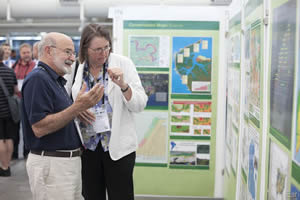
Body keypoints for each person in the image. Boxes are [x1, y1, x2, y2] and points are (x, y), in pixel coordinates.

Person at [65, 24, 148, 200]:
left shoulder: (123, 64)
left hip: (118, 148)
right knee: (91, 195)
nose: (103, 53)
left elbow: (140, 104)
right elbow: (65, 102)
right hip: (88, 148)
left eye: (106, 47)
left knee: (121, 195)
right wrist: (76, 109)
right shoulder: (75, 69)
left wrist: (124, 86)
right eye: (97, 49)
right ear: (85, 48)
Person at [22, 32, 104, 200]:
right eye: (67, 52)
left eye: (73, 53)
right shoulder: (38, 79)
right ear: (48, 51)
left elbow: (58, 116)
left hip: (66, 164)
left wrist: (77, 112)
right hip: (52, 166)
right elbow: (39, 128)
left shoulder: (56, 80)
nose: (72, 58)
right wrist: (76, 108)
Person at [12, 43, 36, 159]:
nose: (26, 55)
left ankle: (28, 152)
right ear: (20, 54)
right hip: (17, 100)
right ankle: (14, 154)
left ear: (31, 52)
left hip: (30, 101)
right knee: (15, 128)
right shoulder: (14, 66)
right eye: (24, 53)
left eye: (28, 52)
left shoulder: (35, 66)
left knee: (29, 127)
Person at [0, 48, 19, 177]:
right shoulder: (10, 71)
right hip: (10, 112)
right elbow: (16, 90)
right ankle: (8, 165)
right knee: (9, 139)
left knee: (0, 139)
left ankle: (3, 166)